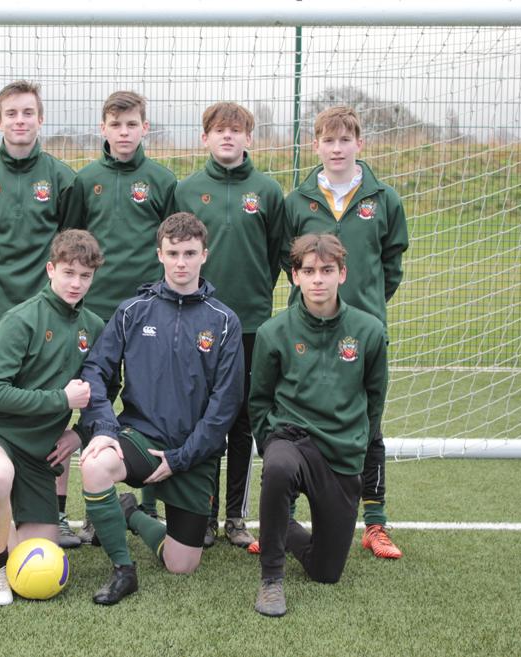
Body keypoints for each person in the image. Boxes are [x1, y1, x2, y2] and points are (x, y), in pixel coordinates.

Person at [77, 212, 244, 605]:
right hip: (141, 436)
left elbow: (225, 404)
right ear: (160, 254)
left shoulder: (224, 322)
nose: (181, 262)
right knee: (95, 464)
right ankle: (123, 569)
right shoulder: (133, 310)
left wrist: (182, 456)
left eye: (190, 253)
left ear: (205, 254)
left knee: (180, 564)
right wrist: (103, 428)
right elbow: (94, 371)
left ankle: (132, 514)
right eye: (173, 253)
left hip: (192, 450)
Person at [0, 229, 106, 605]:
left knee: (37, 557)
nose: (76, 283)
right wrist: (60, 399)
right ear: (51, 269)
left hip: (39, 454)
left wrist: (79, 433)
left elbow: (105, 388)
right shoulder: (21, 319)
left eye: (85, 275)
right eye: (68, 272)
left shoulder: (93, 327)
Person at [277, 105, 409, 560]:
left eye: (345, 140)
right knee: (295, 423)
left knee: (369, 425)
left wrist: (365, 311)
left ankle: (375, 524)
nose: (337, 148)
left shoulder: (384, 199)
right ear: (315, 146)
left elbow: (391, 266)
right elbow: (287, 260)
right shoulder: (297, 202)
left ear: (359, 144)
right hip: (306, 333)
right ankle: (283, 521)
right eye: (328, 141)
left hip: (362, 333)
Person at [0, 80, 75, 543]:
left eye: (28, 112)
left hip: (51, 314)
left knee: (53, 412)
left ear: (40, 119)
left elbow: (69, 248)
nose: (20, 121)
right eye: (11, 113)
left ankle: (57, 512)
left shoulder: (62, 178)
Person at [249, 233, 388, 617]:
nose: (317, 279)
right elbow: (259, 400)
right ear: (295, 276)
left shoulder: (369, 331)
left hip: (340, 452)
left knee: (326, 573)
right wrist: (270, 443)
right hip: (291, 438)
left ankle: (273, 528)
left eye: (327, 270)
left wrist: (358, 439)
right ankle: (271, 578)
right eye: (308, 271)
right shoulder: (272, 332)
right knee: (277, 467)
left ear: (342, 274)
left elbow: (375, 398)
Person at [63, 91, 177, 540]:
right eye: (116, 124)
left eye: (132, 124)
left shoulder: (162, 180)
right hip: (95, 311)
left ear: (144, 127)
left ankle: (149, 498)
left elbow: (172, 241)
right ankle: (97, 507)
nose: (124, 132)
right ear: (103, 128)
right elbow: (70, 242)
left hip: (149, 312)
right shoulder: (85, 179)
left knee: (149, 401)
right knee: (96, 398)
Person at [175, 102, 285, 548]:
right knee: (202, 418)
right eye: (219, 130)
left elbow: (276, 253)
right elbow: (174, 247)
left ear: (249, 138)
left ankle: (235, 519)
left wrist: (255, 296)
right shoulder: (186, 189)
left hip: (252, 324)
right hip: (198, 320)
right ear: (205, 138)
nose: (227, 137)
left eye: (236, 130)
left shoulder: (268, 191)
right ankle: (201, 515)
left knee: (241, 421)